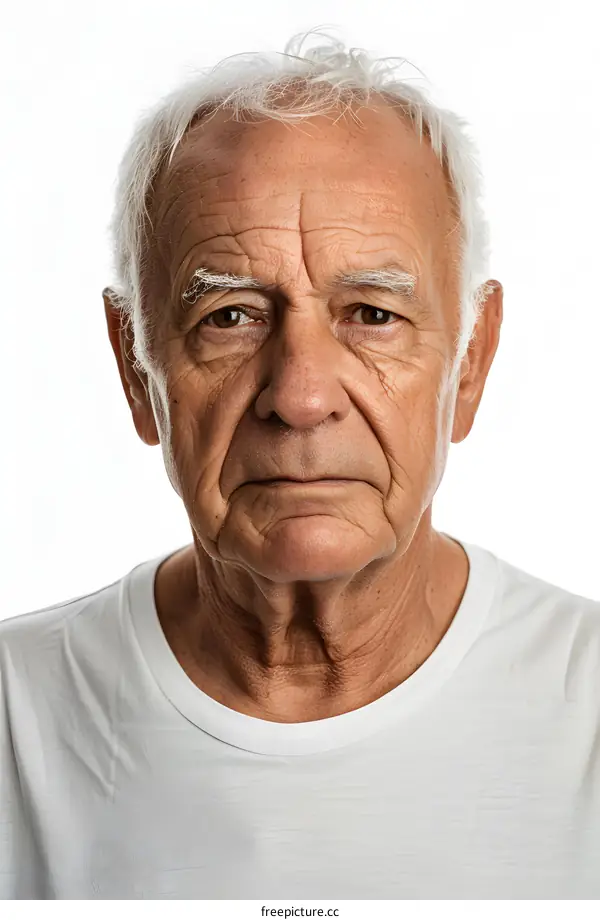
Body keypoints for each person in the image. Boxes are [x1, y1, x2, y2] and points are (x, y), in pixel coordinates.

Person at [1, 31, 599, 901]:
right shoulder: (16, 722)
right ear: (137, 369)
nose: (302, 394)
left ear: (470, 362)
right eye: (231, 317)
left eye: (371, 313)